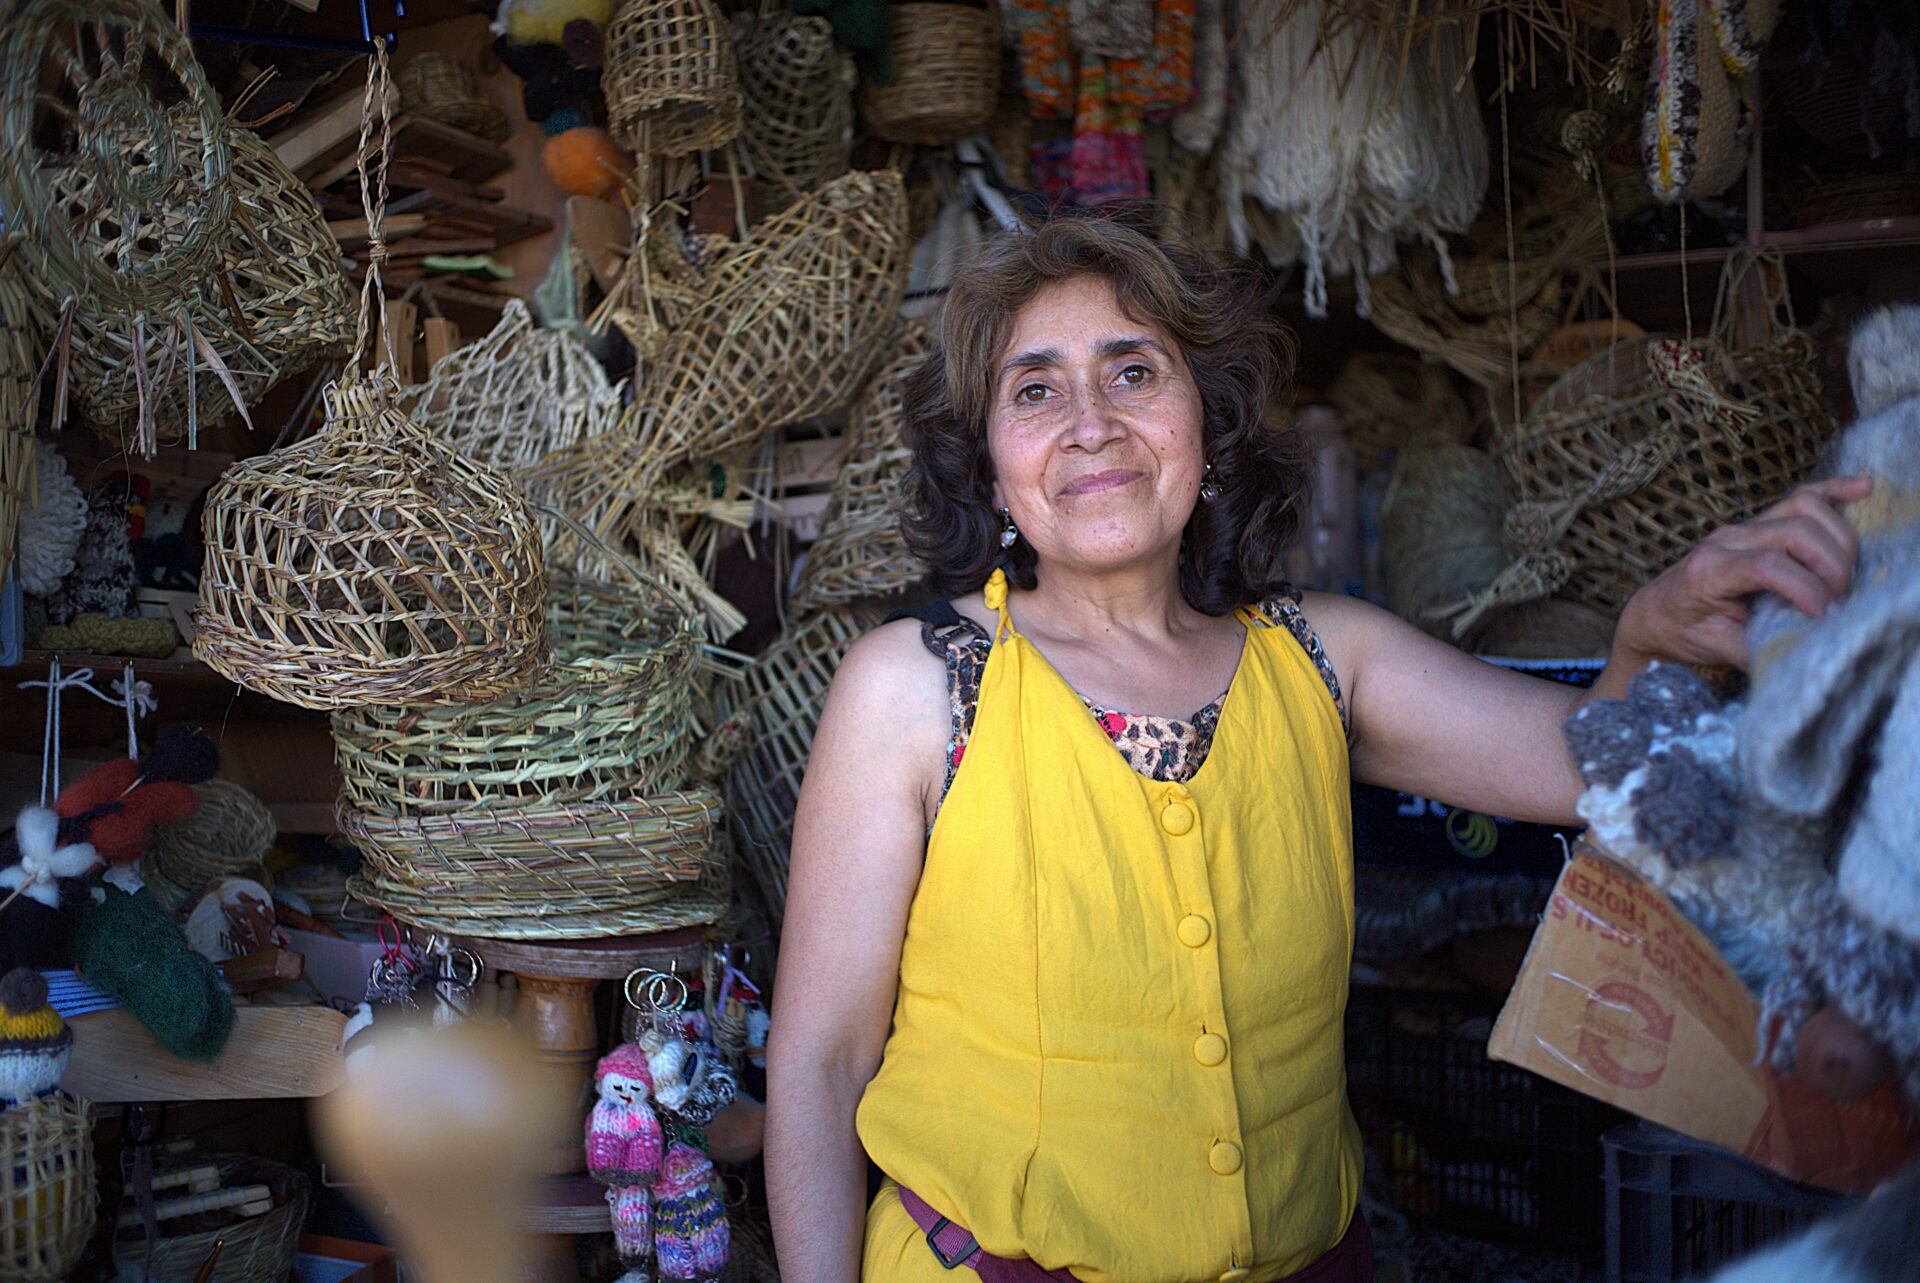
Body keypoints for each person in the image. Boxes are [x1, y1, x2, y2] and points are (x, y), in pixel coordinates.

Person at [764, 209, 1870, 1283]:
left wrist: (1649, 626)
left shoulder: (1322, 656)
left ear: (1209, 413)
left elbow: (1587, 767)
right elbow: (820, 1068)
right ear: (988, 456)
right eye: (1036, 388)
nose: (1090, 420)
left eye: (1135, 370)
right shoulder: (916, 687)